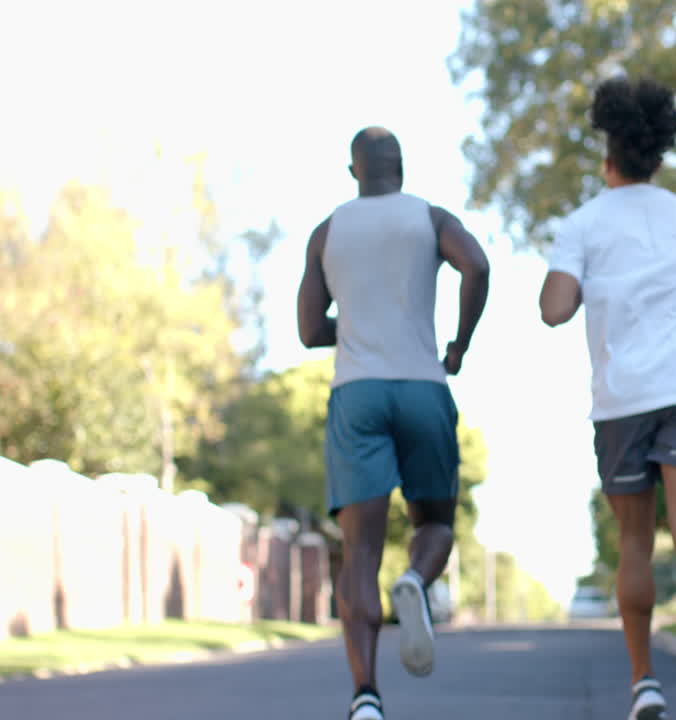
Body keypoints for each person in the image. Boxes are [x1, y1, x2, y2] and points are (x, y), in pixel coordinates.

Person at [539, 76, 676, 720]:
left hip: (622, 403)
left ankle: (644, 683)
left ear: (608, 152)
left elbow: (553, 309)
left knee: (634, 542)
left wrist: (586, 286)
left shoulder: (583, 223)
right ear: (659, 155)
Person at [297, 126, 490, 720]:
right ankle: (415, 581)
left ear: (353, 173)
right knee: (433, 522)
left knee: (358, 555)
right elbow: (477, 266)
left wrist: (350, 327)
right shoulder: (429, 219)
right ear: (399, 168)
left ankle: (366, 699)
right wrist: (458, 344)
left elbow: (308, 331)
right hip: (422, 386)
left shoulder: (327, 232)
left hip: (357, 395)